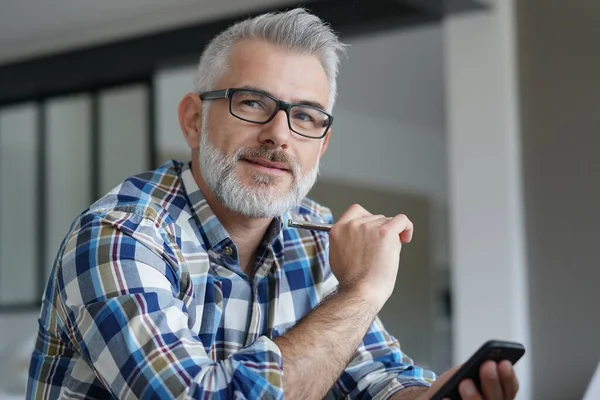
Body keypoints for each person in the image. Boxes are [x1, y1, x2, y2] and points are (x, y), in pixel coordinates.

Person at [26, 8, 520, 400]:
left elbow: (377, 380)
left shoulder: (315, 234)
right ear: (194, 120)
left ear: (321, 145)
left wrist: (435, 395)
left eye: (306, 116)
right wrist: (362, 292)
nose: (279, 136)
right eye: (253, 103)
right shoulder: (121, 235)